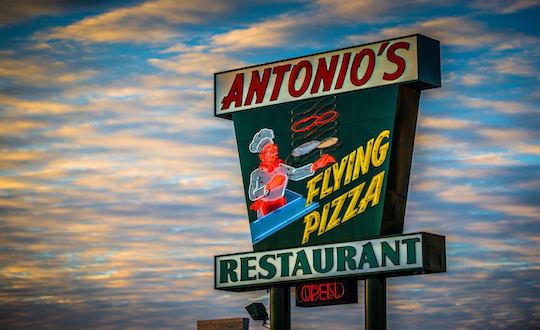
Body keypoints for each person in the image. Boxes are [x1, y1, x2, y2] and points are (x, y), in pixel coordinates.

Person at [248, 128, 335, 218]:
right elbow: (252, 195)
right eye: (270, 150)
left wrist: (316, 165)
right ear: (262, 154)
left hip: (282, 204)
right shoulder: (256, 174)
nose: (275, 152)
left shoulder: (281, 167)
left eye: (275, 148)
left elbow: (296, 174)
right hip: (265, 209)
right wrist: (270, 186)